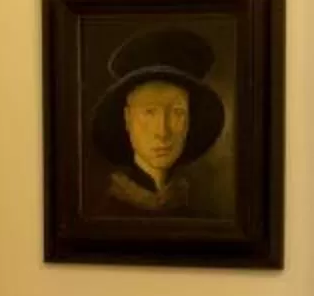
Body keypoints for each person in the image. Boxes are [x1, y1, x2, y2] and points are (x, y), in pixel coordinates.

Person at [87, 25, 227, 215]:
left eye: (177, 112)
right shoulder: (104, 218)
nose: (162, 132)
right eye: (149, 112)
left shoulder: (201, 218)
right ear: (127, 118)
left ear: (190, 119)